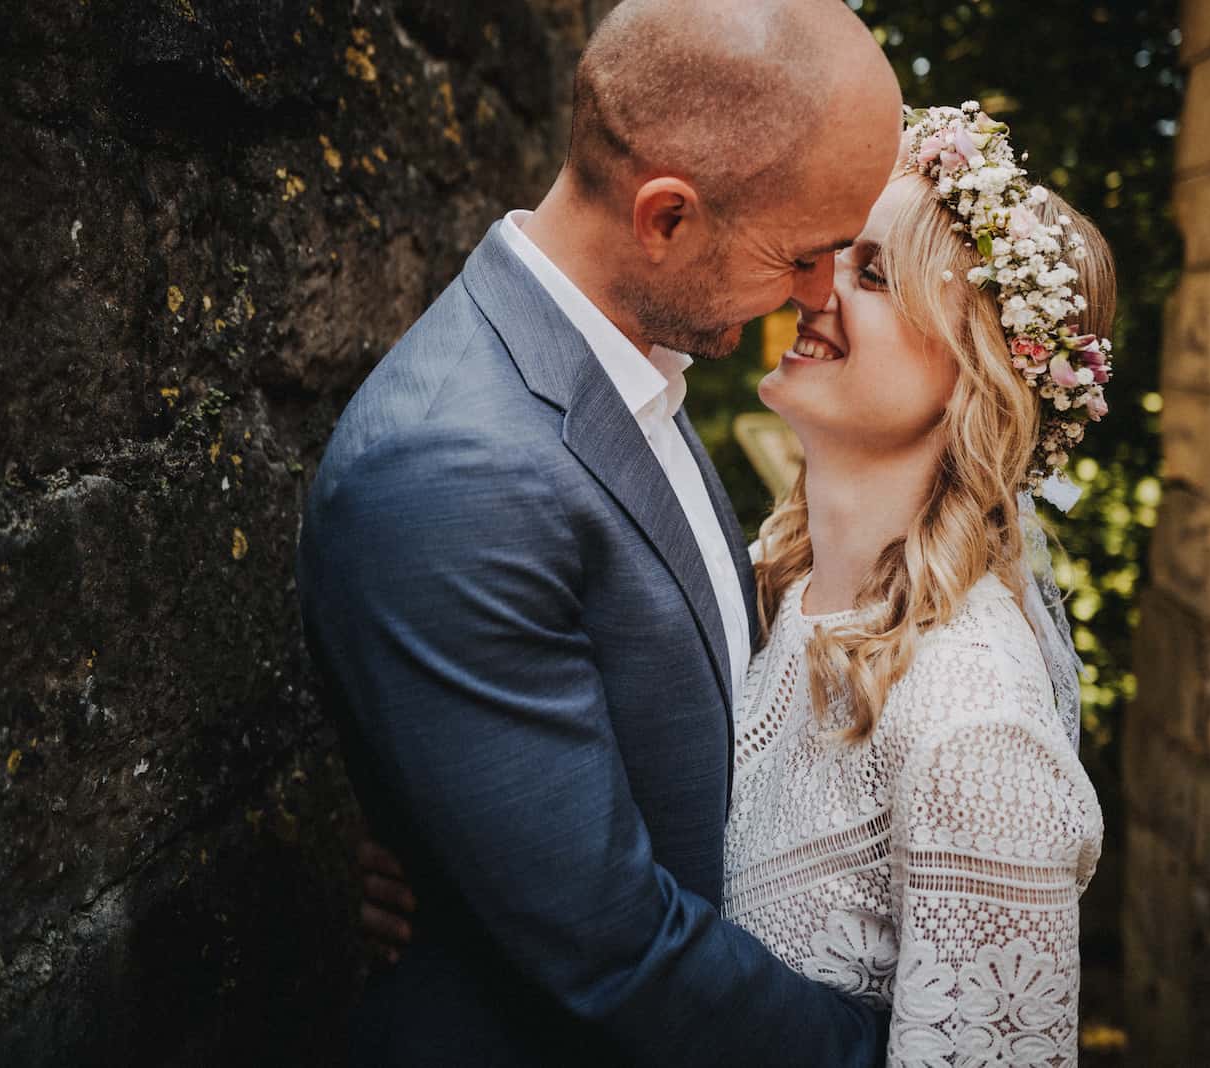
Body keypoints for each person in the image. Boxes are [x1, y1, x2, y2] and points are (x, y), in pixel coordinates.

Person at [361, 103, 1115, 1066]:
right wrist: (446, 855)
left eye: (872, 273)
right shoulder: (762, 579)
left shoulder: (976, 729)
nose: (812, 285)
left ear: (975, 381)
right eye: (833, 251)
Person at [296, 0, 904, 1063]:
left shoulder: (631, 366)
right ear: (665, 216)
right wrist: (904, 1048)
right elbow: (607, 948)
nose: (815, 295)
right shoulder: (455, 469)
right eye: (802, 255)